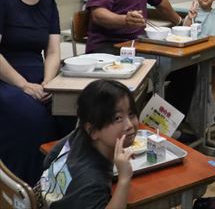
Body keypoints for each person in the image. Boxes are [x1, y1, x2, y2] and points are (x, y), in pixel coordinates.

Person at [0, 0, 66, 185]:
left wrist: (48, 82)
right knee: (33, 118)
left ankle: (60, 186)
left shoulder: (49, 5)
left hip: (40, 82)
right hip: (7, 81)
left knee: (70, 113)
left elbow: (53, 52)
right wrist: (24, 85)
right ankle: (25, 187)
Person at [36, 79, 138, 208]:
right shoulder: (91, 181)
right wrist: (124, 178)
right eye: (117, 118)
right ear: (93, 130)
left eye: (131, 114)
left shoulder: (78, 136)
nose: (129, 125)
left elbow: (49, 159)